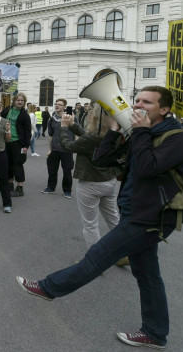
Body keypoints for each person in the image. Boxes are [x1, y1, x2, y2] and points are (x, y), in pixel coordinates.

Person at [17, 86, 183, 349]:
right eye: (137, 101)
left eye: (147, 102)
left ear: (165, 109)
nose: (138, 106)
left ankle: (48, 288)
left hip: (152, 216)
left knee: (98, 256)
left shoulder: (177, 138)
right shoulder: (141, 133)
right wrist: (114, 131)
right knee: (148, 275)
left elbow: (148, 168)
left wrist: (142, 131)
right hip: (135, 211)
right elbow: (102, 159)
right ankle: (155, 333)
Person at [58, 105, 121, 254]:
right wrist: (73, 125)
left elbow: (67, 146)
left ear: (96, 117)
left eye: (91, 110)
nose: (89, 112)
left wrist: (64, 128)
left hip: (91, 182)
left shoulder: (93, 137)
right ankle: (123, 252)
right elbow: (86, 138)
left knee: (90, 225)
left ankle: (96, 260)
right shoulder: (114, 133)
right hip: (109, 181)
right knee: (114, 219)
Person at [43, 98, 74, 198]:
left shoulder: (71, 118)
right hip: (55, 149)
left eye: (60, 104)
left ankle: (67, 190)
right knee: (52, 170)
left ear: (65, 107)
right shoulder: (52, 119)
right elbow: (50, 135)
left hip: (67, 149)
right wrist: (50, 149)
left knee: (67, 171)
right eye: (56, 104)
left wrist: (76, 146)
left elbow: (77, 133)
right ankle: (51, 187)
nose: (57, 106)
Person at [3, 92, 31, 197]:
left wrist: (26, 146)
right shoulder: (7, 110)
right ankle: (9, 185)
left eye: (22, 100)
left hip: (18, 143)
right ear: (14, 101)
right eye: (18, 100)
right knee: (7, 164)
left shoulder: (24, 115)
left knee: (18, 164)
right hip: (6, 141)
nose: (20, 102)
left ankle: (20, 188)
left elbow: (28, 132)